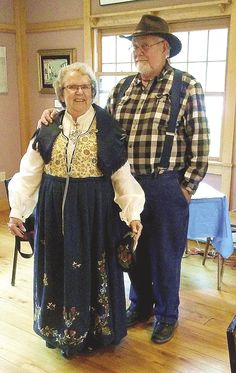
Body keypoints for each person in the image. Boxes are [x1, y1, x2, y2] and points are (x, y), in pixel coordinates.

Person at [38, 14, 210, 344]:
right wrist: (56, 113)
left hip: (164, 186)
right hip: (122, 185)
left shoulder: (186, 87)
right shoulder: (123, 88)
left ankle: (166, 315)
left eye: (144, 46)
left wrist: (185, 188)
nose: (138, 52)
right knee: (130, 252)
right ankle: (140, 305)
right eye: (135, 46)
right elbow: (95, 122)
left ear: (164, 48)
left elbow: (200, 143)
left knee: (164, 255)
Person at [7, 62, 145, 358]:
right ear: (61, 92)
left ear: (93, 91)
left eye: (85, 86)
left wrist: (132, 213)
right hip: (53, 212)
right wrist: (17, 210)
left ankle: (95, 332)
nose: (79, 92)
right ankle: (59, 330)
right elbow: (29, 171)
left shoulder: (108, 128)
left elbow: (122, 176)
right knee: (56, 269)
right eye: (72, 87)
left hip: (94, 214)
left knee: (94, 270)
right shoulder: (49, 126)